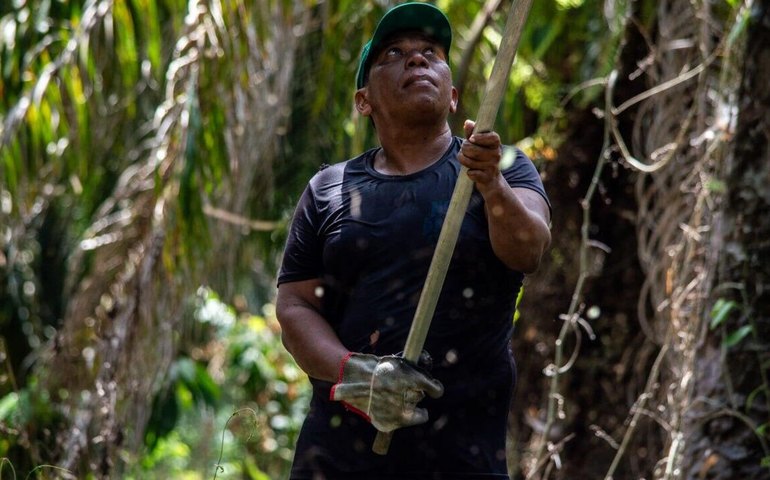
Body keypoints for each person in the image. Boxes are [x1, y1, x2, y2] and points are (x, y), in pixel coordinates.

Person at [275, 3, 551, 479]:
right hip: (340, 456)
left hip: (463, 455)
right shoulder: (329, 188)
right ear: (364, 101)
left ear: (453, 96)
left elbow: (529, 251)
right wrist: (356, 377)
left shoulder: (501, 166)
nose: (418, 59)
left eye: (430, 52)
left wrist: (491, 185)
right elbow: (295, 307)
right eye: (395, 54)